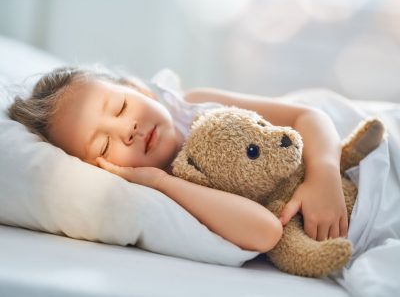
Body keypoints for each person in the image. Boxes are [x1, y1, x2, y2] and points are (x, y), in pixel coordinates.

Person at [8, 65, 348, 253]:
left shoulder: (195, 105)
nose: (128, 129)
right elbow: (265, 232)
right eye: (103, 145)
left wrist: (324, 175)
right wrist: (159, 182)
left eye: (121, 107)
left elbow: (309, 117)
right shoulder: (170, 191)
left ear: (139, 90)